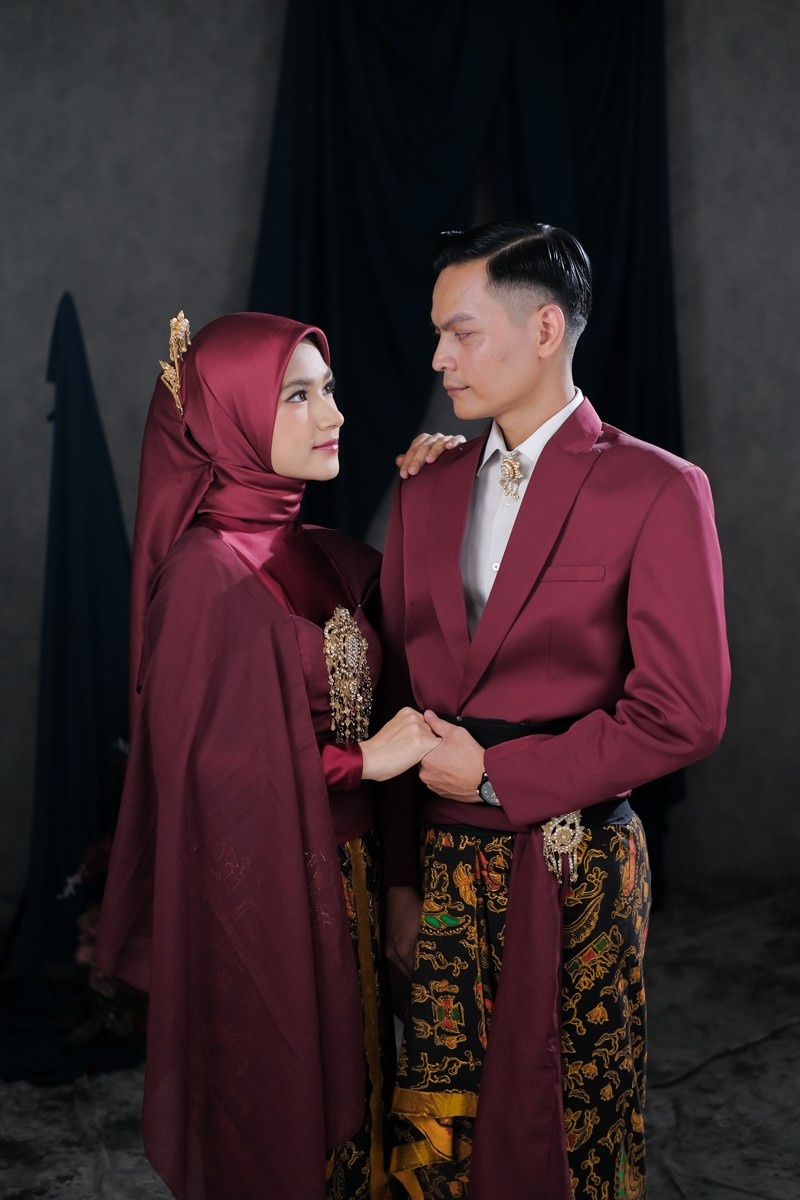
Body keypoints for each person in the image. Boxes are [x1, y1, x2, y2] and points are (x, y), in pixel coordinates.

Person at [381, 221, 730, 1200]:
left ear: (543, 330)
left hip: (579, 861)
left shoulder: (658, 488)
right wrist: (400, 880)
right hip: (438, 859)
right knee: (437, 1122)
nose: (438, 358)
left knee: (580, 1116)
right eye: (436, 334)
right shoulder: (424, 485)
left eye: (460, 333)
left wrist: (499, 775)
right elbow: (400, 695)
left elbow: (684, 713)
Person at [95, 311, 454, 1200]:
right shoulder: (203, 575)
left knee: (364, 1110)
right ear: (231, 420)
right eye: (296, 395)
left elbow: (434, 627)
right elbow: (205, 774)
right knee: (286, 1125)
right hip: (267, 894)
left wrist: (441, 495)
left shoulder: (323, 554)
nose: (332, 414)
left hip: (355, 880)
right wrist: (358, 765)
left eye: (327, 389)